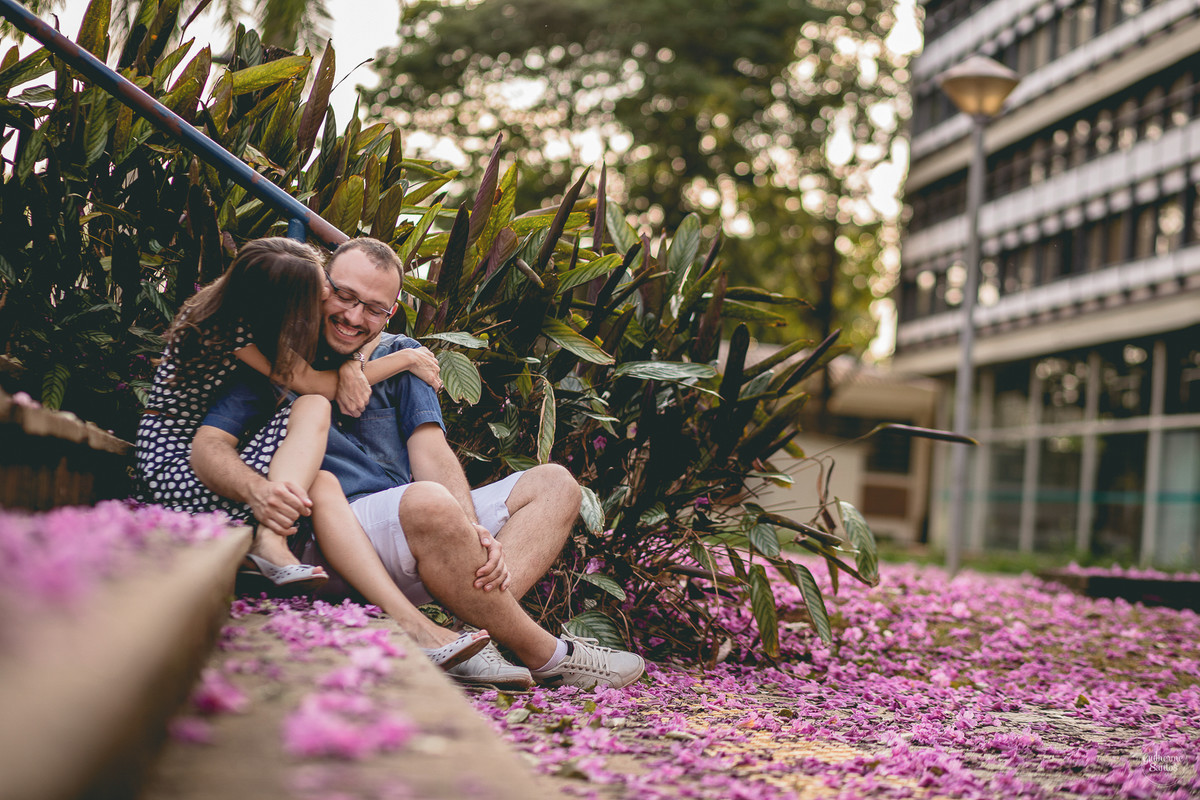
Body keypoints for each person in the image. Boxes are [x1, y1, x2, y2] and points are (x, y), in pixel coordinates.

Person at [193, 238, 646, 690]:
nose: (354, 317)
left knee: (554, 484)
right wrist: (257, 492)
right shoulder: (278, 353)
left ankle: (476, 641)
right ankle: (547, 654)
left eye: (373, 308)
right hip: (326, 540)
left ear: (391, 311)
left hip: (413, 536)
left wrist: (474, 530)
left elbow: (430, 451)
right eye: (345, 296)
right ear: (321, 285)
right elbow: (211, 446)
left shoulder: (398, 355)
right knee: (428, 501)